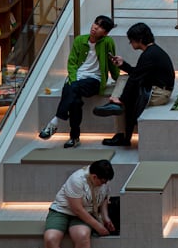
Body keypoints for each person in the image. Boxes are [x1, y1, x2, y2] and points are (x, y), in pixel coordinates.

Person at [39, 15, 120, 148]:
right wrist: (74, 79)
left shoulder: (107, 42)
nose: (95, 27)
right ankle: (74, 137)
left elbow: (112, 64)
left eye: (100, 27)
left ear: (105, 33)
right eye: (95, 23)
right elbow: (71, 63)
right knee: (75, 101)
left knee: (72, 89)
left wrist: (119, 80)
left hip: (94, 80)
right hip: (76, 78)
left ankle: (54, 123)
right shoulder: (79, 40)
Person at [44, 159, 115, 248]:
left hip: (85, 213)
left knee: (82, 235)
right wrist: (98, 227)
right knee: (50, 238)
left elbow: (104, 199)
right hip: (63, 210)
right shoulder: (77, 180)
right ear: (94, 177)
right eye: (102, 181)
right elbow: (77, 209)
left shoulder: (103, 178)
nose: (105, 183)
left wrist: (105, 218)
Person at [103, 23, 175, 146]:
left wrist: (122, 99)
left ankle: (123, 132)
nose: (130, 43)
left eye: (131, 41)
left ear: (139, 40)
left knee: (128, 88)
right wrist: (123, 64)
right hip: (158, 89)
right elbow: (138, 72)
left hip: (159, 93)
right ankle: (117, 109)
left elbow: (135, 78)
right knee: (124, 78)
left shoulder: (149, 55)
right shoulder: (153, 51)